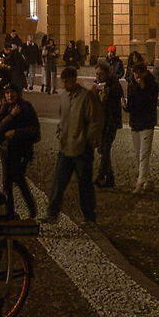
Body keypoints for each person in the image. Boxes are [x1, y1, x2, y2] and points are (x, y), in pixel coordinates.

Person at [46, 65, 99, 224]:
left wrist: (88, 141)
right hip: (65, 147)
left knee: (85, 186)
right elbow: (62, 118)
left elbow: (94, 121)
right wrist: (59, 133)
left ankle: (90, 217)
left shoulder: (85, 97)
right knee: (58, 183)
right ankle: (52, 214)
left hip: (81, 149)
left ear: (74, 80)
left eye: (67, 81)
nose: (64, 85)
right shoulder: (64, 96)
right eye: (63, 82)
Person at [0, 82, 41, 219]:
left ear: (18, 93)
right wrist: (11, 117)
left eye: (12, 92)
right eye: (7, 92)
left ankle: (31, 209)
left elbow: (35, 131)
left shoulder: (26, 107)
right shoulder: (2, 108)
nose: (10, 95)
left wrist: (16, 132)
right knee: (7, 183)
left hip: (21, 151)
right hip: (6, 151)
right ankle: (10, 212)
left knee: (18, 178)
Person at [124, 53, 159, 194]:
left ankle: (140, 184)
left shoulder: (152, 84)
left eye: (137, 74)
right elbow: (132, 105)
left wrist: (143, 88)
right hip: (135, 123)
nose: (135, 76)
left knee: (144, 154)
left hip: (147, 123)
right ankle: (148, 180)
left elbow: (151, 103)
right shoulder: (132, 85)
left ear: (143, 73)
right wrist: (125, 106)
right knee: (138, 154)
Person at [95, 59, 125, 188]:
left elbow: (118, 93)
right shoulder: (97, 85)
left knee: (106, 149)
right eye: (96, 74)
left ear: (107, 74)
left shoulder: (114, 84)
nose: (97, 77)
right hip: (101, 122)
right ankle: (110, 178)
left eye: (100, 74)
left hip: (111, 122)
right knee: (103, 150)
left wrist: (107, 91)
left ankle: (100, 176)